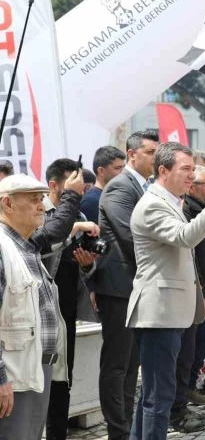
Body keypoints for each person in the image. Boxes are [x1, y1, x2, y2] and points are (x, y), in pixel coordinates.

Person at [127, 143, 205, 440]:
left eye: (192, 169)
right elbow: (185, 237)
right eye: (185, 169)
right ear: (163, 171)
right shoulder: (153, 204)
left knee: (154, 395)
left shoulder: (171, 201)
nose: (192, 176)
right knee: (158, 397)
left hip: (171, 311)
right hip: (159, 313)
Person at [93, 129, 158, 440]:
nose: (156, 158)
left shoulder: (144, 186)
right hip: (118, 287)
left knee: (132, 365)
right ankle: (117, 431)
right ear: (132, 154)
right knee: (117, 365)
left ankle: (128, 427)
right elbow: (130, 236)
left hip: (137, 287)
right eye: (150, 152)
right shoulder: (120, 186)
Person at [0, 175, 69, 440]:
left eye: (41, 198)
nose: (42, 205)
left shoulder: (26, 246)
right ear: (7, 204)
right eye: (33, 200)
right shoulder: (3, 247)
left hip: (35, 368)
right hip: (13, 375)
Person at [44, 159, 102, 440]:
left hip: (66, 313)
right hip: (41, 314)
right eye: (71, 187)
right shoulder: (40, 213)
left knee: (62, 380)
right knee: (40, 381)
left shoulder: (77, 213)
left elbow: (84, 269)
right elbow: (42, 246)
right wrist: (74, 226)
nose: (77, 192)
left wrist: (88, 264)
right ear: (53, 185)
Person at [169, 166, 205, 427]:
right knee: (183, 353)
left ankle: (185, 394)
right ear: (193, 186)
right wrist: (201, 293)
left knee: (202, 338)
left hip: (204, 289)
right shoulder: (186, 210)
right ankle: (177, 406)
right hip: (192, 291)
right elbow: (190, 257)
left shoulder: (202, 209)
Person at [81, 146, 126, 224]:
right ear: (101, 171)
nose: (123, 172)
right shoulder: (91, 201)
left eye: (123, 167)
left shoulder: (114, 195)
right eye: (118, 168)